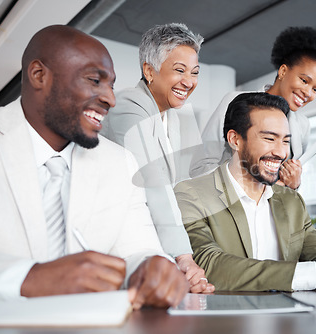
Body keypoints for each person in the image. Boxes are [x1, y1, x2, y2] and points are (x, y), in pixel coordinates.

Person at [0, 25, 189, 308]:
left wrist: (153, 268)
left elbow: (138, 249)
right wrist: (28, 278)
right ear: (39, 75)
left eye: (111, 85)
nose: (110, 99)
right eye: (94, 80)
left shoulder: (119, 163)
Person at [174, 93, 316, 291]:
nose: (281, 153)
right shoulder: (190, 194)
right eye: (269, 138)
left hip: (290, 318)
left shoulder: (292, 201)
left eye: (285, 141)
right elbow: (209, 264)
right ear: (235, 139)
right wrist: (314, 274)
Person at [101, 23, 213, 293]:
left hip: (155, 239)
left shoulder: (175, 116)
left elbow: (184, 183)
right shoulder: (128, 106)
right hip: (117, 239)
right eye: (179, 70)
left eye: (194, 73)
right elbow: (154, 183)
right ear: (149, 71)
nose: (189, 82)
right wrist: (184, 257)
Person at [190, 26, 316, 190]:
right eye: (304, 80)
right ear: (283, 71)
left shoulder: (302, 125)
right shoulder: (236, 101)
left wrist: (294, 184)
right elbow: (200, 166)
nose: (307, 93)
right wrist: (244, 189)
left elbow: (284, 182)